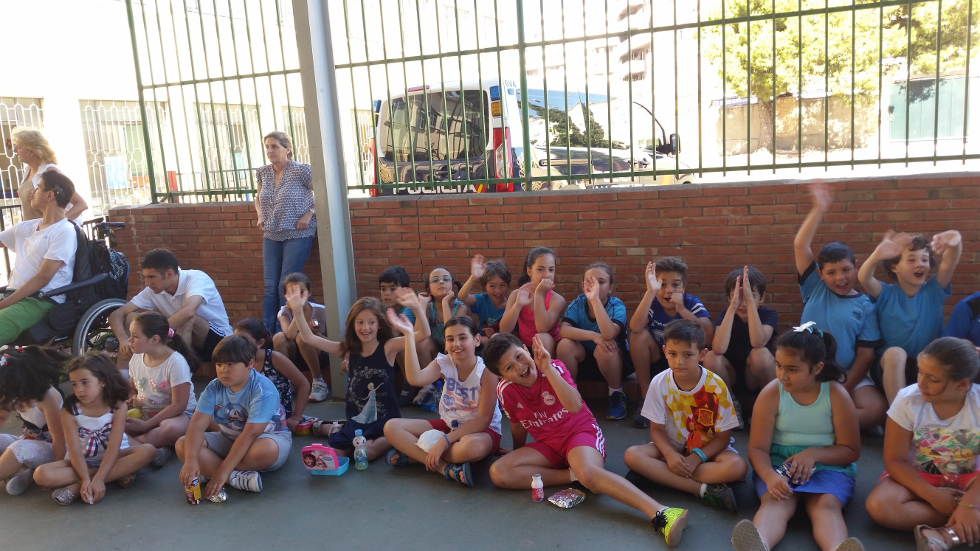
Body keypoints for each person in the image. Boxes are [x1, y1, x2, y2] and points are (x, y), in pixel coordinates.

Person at [483, 333, 690, 547]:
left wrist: (547, 369)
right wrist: (518, 450)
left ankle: (661, 511)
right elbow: (517, 424)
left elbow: (574, 406)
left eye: (519, 356)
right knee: (499, 472)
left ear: (526, 350)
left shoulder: (554, 367)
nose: (519, 367)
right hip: (547, 445)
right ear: (501, 376)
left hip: (579, 433)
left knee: (589, 473)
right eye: (509, 367)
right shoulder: (505, 391)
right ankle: (574, 475)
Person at [731, 323, 863, 551]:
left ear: (817, 368)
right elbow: (758, 449)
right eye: (778, 366)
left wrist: (813, 454)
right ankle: (758, 545)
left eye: (793, 369)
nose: (783, 375)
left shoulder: (836, 395)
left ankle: (837, 548)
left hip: (828, 466)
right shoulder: (771, 393)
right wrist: (770, 477)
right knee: (775, 503)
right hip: (779, 464)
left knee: (826, 506)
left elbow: (851, 450)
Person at [285, 289, 430, 461]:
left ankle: (395, 437)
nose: (365, 327)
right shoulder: (348, 349)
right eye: (360, 322)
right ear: (353, 325)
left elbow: (423, 334)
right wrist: (297, 310)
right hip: (356, 420)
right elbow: (309, 338)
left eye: (371, 322)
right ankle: (336, 429)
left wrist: (417, 307)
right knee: (336, 453)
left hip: (385, 421)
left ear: (380, 324)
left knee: (367, 452)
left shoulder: (389, 347)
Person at [865, 337, 980, 551]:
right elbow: (895, 460)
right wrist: (933, 496)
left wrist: (970, 503)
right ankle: (965, 524)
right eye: (920, 372)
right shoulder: (908, 400)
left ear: (962, 384)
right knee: (879, 505)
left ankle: (944, 535)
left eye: (933, 379)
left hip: (972, 479)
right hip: (920, 475)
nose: (921, 383)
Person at [624, 320, 748, 513]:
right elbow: (656, 430)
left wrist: (696, 458)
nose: (679, 362)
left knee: (737, 467)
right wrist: (670, 455)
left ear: (702, 354)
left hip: (708, 452)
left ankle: (660, 475)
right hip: (672, 448)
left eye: (688, 355)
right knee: (632, 455)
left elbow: (723, 438)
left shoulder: (717, 386)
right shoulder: (659, 383)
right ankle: (704, 490)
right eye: (673, 354)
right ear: (665, 351)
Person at [793, 182, 886, 430]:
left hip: (846, 375)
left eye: (846, 269)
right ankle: (828, 424)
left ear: (856, 266)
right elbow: (800, 245)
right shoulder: (814, 287)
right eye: (831, 272)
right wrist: (818, 209)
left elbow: (865, 355)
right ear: (820, 274)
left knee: (875, 409)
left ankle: (820, 425)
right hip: (807, 370)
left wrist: (845, 388)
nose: (840, 278)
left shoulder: (866, 305)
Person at [383, 315, 501, 486]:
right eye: (450, 339)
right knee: (391, 427)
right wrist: (409, 336)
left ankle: (415, 456)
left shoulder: (486, 371)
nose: (456, 344)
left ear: (476, 340)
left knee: (474, 447)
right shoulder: (444, 363)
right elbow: (415, 378)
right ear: (445, 344)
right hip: (449, 425)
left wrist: (444, 441)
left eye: (462, 338)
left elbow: (483, 421)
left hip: (481, 432)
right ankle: (445, 468)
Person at [176, 335, 292, 498]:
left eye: (230, 364)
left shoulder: (262, 389)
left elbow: (250, 434)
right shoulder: (214, 387)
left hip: (265, 439)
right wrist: (191, 461)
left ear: (250, 363)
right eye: (219, 364)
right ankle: (235, 478)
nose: (223, 370)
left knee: (265, 450)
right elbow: (196, 425)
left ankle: (213, 470)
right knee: (183, 445)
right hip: (228, 438)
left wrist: (221, 473)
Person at [33, 353, 155, 506]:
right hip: (83, 461)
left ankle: (78, 486)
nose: (79, 389)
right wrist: (85, 477)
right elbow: (74, 450)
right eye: (74, 384)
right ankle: (115, 475)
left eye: (85, 382)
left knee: (147, 451)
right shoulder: (69, 410)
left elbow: (114, 446)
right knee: (41, 475)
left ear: (102, 381)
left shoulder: (118, 406)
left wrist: (99, 479)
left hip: (116, 457)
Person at [857, 230, 963, 404]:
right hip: (889, 368)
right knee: (895, 353)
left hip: (926, 366)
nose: (919, 264)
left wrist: (955, 241)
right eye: (911, 260)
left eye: (924, 259)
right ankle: (899, 414)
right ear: (894, 267)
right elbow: (864, 278)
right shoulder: (886, 294)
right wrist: (877, 255)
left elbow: (949, 262)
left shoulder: (934, 291)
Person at [108, 248, 232, 372]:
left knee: (187, 318)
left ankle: (179, 375)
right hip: (182, 339)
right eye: (145, 277)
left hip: (220, 341)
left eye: (151, 277)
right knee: (132, 318)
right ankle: (123, 377)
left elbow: (189, 312)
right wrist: (123, 339)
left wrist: (154, 334)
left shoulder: (197, 279)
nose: (147, 283)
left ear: (169, 274)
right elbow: (116, 314)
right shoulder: (152, 291)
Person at [628, 257, 713, 429]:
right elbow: (635, 327)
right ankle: (647, 400)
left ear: (684, 287)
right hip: (658, 359)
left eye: (675, 285)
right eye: (662, 284)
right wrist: (650, 292)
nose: (668, 290)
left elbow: (709, 336)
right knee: (637, 337)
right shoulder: (653, 301)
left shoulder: (691, 303)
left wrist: (682, 310)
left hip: (683, 363)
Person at [0, 170, 78, 346]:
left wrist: (4, 304)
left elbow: (43, 278)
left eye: (37, 188)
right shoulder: (27, 227)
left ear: (50, 195)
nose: (32, 192)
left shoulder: (64, 231)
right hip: (13, 296)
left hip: (39, 301)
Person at [255, 130, 316, 334]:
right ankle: (266, 334)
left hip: (297, 234)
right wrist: (260, 215)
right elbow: (258, 198)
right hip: (271, 234)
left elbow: (323, 193)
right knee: (270, 286)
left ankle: (285, 333)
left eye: (274, 146)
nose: (269, 151)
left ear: (287, 149)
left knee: (286, 285)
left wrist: (309, 213)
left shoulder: (301, 170)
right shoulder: (263, 172)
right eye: (267, 147)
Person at [557, 261, 632, 420]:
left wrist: (595, 300)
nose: (595, 286)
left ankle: (616, 394)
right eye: (590, 282)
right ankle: (571, 395)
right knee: (564, 345)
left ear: (610, 288)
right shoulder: (578, 304)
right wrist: (594, 336)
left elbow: (608, 334)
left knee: (605, 347)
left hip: (614, 364)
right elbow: (563, 330)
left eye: (601, 282)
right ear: (582, 285)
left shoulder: (616, 306)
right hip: (585, 362)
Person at [124, 312, 199, 468]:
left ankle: (131, 448)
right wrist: (132, 398)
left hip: (178, 417)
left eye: (135, 336)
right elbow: (133, 387)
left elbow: (180, 404)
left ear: (154, 339)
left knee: (170, 428)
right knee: (112, 423)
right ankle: (155, 449)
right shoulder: (136, 358)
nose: (129, 340)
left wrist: (146, 426)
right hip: (146, 414)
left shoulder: (176, 363)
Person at [703, 266, 778, 416]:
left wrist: (750, 303)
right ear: (729, 298)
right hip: (730, 376)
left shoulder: (768, 314)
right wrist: (732, 307)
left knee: (760, 353)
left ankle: (769, 406)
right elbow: (718, 348)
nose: (743, 304)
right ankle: (731, 406)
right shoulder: (725, 314)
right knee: (711, 356)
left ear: (762, 298)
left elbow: (758, 342)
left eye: (750, 296)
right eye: (737, 296)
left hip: (756, 376)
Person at [0, 346, 68, 496]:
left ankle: (27, 470)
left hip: (55, 449)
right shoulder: (15, 393)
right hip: (31, 444)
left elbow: (60, 438)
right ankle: (27, 471)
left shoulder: (47, 397)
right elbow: (1, 416)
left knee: (18, 449)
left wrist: (55, 470)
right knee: (11, 444)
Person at [235, 318, 311, 431]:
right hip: (247, 413)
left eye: (244, 340)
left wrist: (296, 416)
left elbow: (303, 384)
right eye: (235, 339)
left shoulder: (274, 358)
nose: (238, 344)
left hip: (275, 415)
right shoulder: (236, 360)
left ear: (260, 342)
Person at [272, 272, 329, 402]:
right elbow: (290, 335)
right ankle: (286, 381)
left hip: (318, 354)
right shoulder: (284, 311)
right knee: (279, 337)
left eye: (301, 292)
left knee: (302, 337)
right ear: (286, 296)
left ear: (309, 293)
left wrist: (314, 334)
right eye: (292, 293)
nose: (296, 297)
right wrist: (298, 310)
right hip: (294, 356)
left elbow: (332, 341)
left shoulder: (322, 310)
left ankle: (318, 381)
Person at [499, 247, 565, 357]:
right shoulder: (517, 294)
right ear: (529, 271)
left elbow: (542, 328)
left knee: (542, 337)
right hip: (524, 346)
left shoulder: (557, 299)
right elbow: (504, 330)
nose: (546, 275)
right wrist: (518, 305)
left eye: (551, 270)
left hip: (548, 347)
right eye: (540, 269)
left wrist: (539, 294)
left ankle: (545, 368)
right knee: (497, 338)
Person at [11, 128, 88, 222]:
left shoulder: (50, 171)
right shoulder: (28, 171)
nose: (14, 150)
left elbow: (81, 204)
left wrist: (56, 225)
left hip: (51, 231)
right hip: (33, 229)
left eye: (19, 147)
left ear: (32, 150)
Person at [378, 266, 418, 405]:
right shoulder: (380, 307)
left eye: (393, 289)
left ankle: (409, 384)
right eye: (383, 289)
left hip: (414, 351)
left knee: (399, 343)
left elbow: (395, 333)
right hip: (386, 349)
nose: (387, 293)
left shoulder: (408, 308)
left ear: (404, 290)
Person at [417, 267, 470, 369]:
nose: (441, 282)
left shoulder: (460, 307)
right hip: (434, 351)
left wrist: (445, 302)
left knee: (453, 343)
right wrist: (422, 304)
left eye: (445, 279)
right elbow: (417, 335)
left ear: (453, 286)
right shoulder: (428, 307)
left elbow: (452, 333)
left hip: (456, 348)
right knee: (422, 343)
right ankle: (428, 379)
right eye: (435, 280)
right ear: (429, 290)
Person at [457, 255, 511, 338]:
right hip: (481, 342)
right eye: (492, 286)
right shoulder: (482, 300)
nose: (498, 290)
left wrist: (495, 335)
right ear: (484, 287)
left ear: (508, 285)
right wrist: (473, 278)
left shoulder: (511, 305)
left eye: (502, 285)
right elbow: (462, 297)